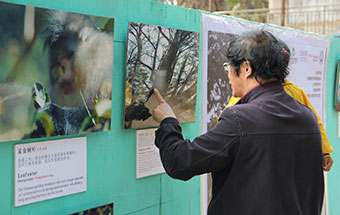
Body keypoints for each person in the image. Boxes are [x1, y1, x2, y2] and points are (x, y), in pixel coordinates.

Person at [152, 30, 324, 215]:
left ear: (246, 68)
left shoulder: (240, 118)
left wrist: (168, 121)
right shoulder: (307, 117)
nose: (228, 76)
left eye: (229, 67)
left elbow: (180, 162)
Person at [225, 80, 334, 171]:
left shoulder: (294, 92)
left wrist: (325, 153)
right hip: (263, 157)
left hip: (282, 158)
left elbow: (314, 121)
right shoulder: (247, 93)